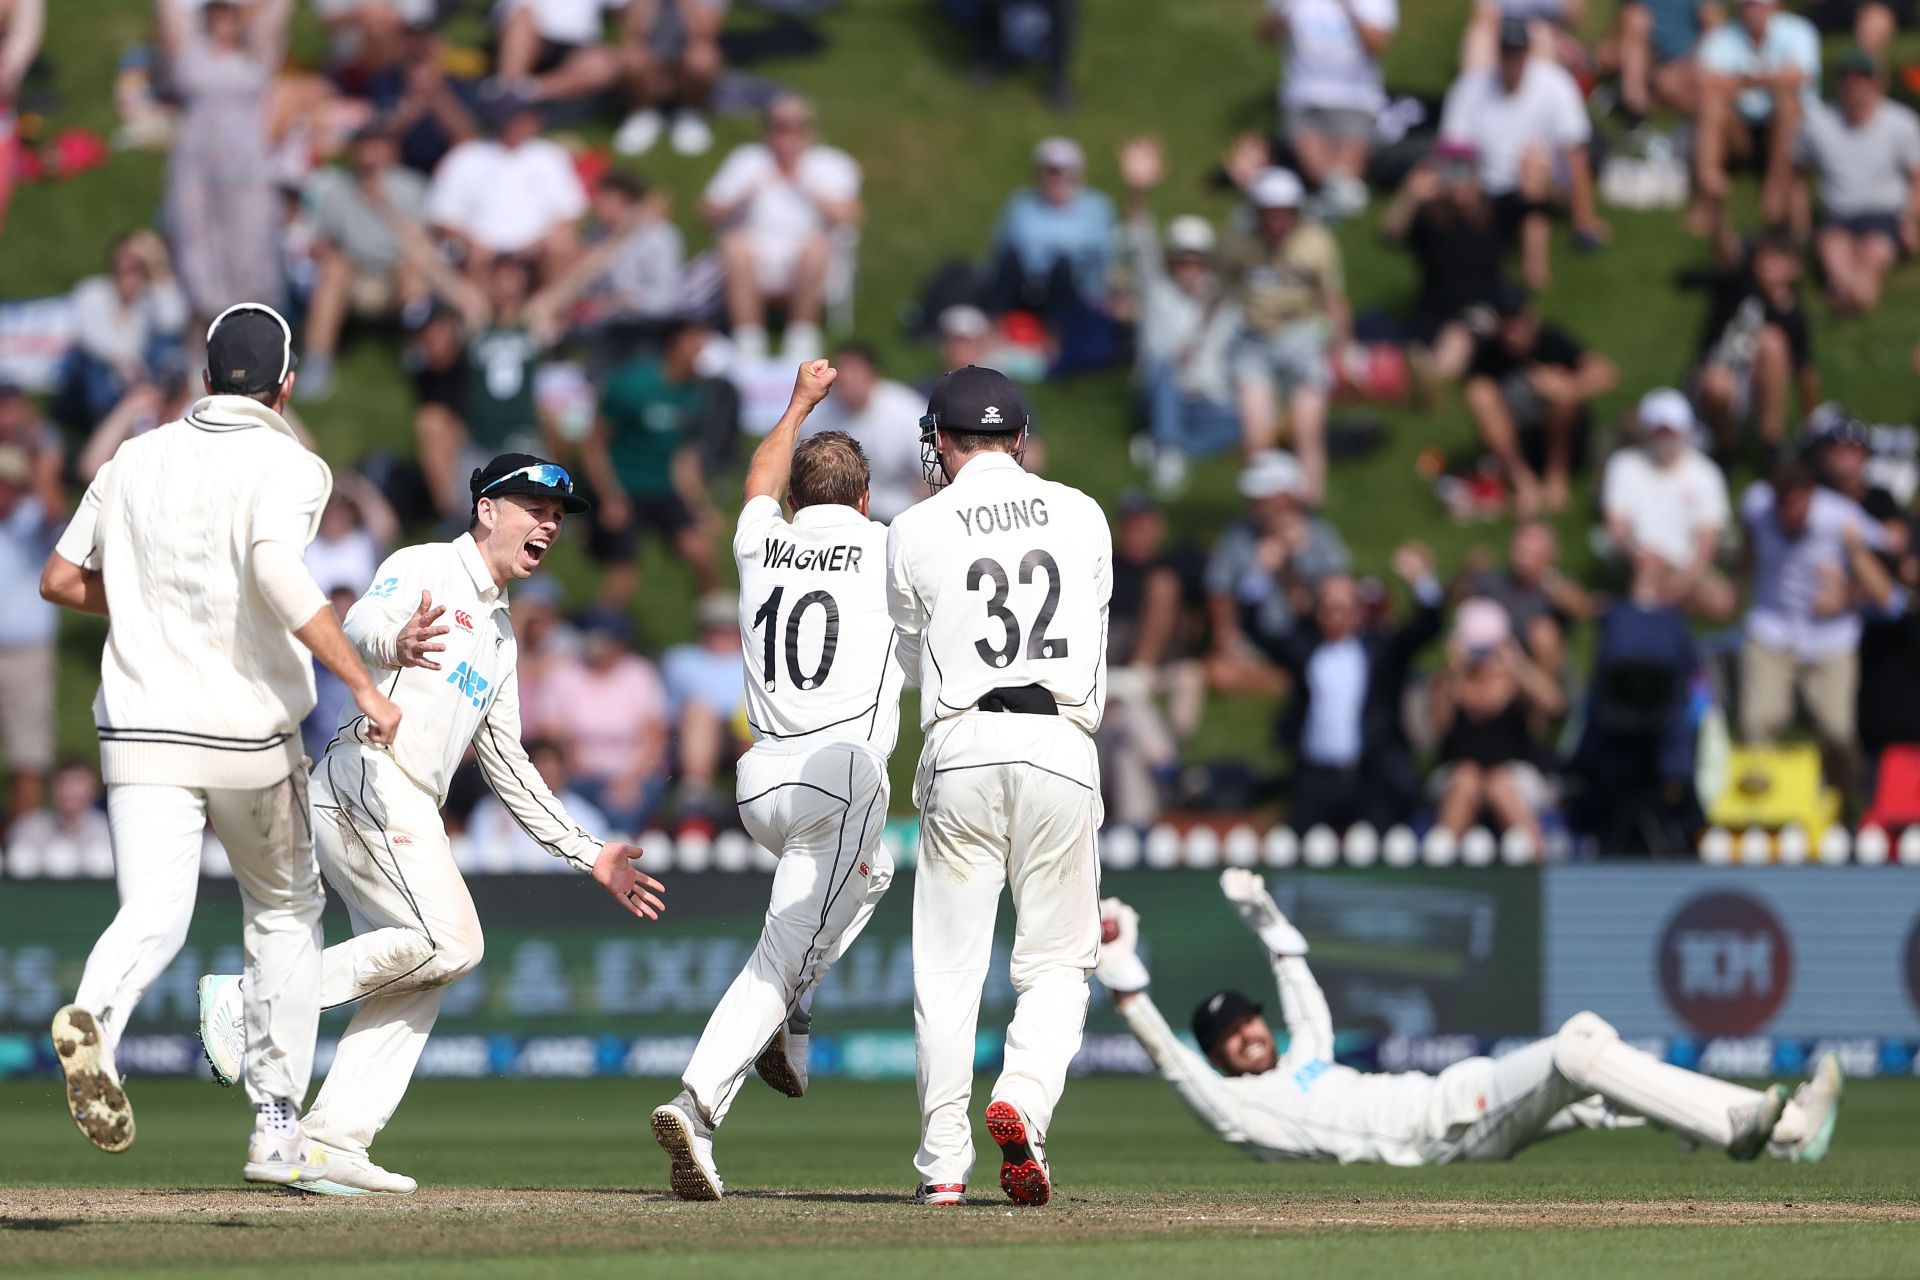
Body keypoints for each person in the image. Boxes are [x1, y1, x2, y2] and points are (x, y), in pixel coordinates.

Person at [196, 452, 666, 1196]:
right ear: (486, 510)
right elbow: (358, 622)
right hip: (367, 775)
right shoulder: (426, 565)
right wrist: (395, 643)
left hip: (406, 798)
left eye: (556, 517)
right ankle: (256, 998)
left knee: (425, 967)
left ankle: (328, 1141)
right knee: (454, 941)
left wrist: (589, 854)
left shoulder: (503, 636)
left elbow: (508, 763)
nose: (547, 525)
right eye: (533, 509)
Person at [41, 303, 401, 1185]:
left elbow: (58, 579)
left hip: (138, 727)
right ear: (284, 387)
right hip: (246, 733)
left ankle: (95, 1015)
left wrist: (151, 604)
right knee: (284, 913)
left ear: (203, 378)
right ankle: (277, 1126)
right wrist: (362, 683)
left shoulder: (133, 456)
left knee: (153, 913)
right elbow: (275, 569)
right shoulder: (292, 462)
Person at [1094, 872, 1844, 1166]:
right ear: (1221, 1057)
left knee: (1603, 1086)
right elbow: (1173, 1066)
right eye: (1231, 1039)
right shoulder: (1242, 1108)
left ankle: (1779, 1132)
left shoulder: (1303, 1059)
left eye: (1248, 1024)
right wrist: (1129, 987)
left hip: (1453, 1094)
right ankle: (1741, 1129)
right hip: (1441, 1127)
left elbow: (1304, 1003)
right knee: (1579, 1043)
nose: (1249, 1035)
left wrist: (1269, 924)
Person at [653, 361, 907, 1201]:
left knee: (876, 872)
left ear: (795, 502)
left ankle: (794, 1014)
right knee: (780, 947)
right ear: (866, 499)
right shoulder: (890, 546)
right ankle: (697, 1106)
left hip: (759, 781)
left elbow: (762, 473)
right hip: (840, 777)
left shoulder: (763, 537)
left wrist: (798, 401)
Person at [887, 365, 1111, 1207]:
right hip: (1060, 739)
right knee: (1056, 963)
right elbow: (1092, 626)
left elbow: (913, 656)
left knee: (947, 971)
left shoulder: (914, 526)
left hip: (962, 740)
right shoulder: (1083, 513)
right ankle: (1022, 1098)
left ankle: (943, 1168)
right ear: (1018, 440)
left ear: (942, 443)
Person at [1271, 542, 1441, 831]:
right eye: (1328, 608)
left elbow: (1426, 630)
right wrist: (1263, 572)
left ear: (1358, 610)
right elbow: (1258, 630)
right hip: (1315, 777)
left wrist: (1422, 582)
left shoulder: (1380, 649)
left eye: (1343, 607)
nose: (1336, 615)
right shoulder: (1306, 649)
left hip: (1370, 773)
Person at [1739, 460, 1884, 794]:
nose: (1788, 514)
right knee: (1757, 721)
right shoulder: (1756, 506)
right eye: (1782, 505)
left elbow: (1885, 578)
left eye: (1796, 504)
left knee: (1838, 730)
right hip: (1771, 631)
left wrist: (1847, 597)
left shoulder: (1840, 517)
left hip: (1830, 638)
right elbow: (1746, 549)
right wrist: (1739, 582)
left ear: (1811, 497)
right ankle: (1763, 803)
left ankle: (1845, 801)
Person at [1439, 16, 1607, 291]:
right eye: (1506, 52)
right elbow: (1454, 152)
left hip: (1545, 185)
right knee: (1460, 184)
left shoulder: (1555, 85)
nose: (1512, 60)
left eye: (1516, 52)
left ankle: (1535, 270)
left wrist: (1584, 219)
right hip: (1486, 187)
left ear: (1528, 53)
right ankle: (1477, 267)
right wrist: (1462, 185)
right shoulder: (1470, 87)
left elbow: (1576, 155)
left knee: (1533, 177)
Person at [1118, 136, 1241, 491]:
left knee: (1245, 421)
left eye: (1197, 260)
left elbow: (1244, 249)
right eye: (1183, 259)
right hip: (1157, 389)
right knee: (1165, 370)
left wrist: (1245, 192)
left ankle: (1162, 443)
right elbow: (1141, 240)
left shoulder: (1221, 301)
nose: (1190, 267)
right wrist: (1137, 190)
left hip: (1203, 399)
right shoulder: (1157, 290)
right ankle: (1169, 450)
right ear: (1172, 261)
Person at [157, 0, 293, 320]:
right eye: (216, 14)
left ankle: (259, 335)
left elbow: (278, 11)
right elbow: (169, 11)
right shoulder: (190, 54)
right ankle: (203, 342)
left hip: (246, 164)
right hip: (197, 164)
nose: (222, 22)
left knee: (251, 241)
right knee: (197, 244)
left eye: (228, 14)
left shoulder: (255, 53)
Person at [701, 94, 862, 363]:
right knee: (734, 246)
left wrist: (808, 185)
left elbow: (850, 216)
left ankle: (800, 340)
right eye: (780, 127)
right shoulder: (747, 160)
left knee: (817, 247)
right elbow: (707, 213)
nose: (789, 136)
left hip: (810, 261)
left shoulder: (831, 164)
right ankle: (748, 343)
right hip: (755, 257)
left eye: (798, 127)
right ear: (768, 129)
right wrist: (742, 196)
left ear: (810, 130)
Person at [1222, 164, 1347, 499]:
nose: (1275, 223)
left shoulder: (1317, 244)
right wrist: (1195, 340)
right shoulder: (1238, 242)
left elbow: (1334, 301)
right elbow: (1220, 291)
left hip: (1302, 336)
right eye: (1268, 214)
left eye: (1283, 214)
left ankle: (1310, 510)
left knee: (1307, 429)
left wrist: (1343, 350)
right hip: (1254, 339)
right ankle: (1262, 511)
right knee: (1256, 435)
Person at [580, 319, 723, 608]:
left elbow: (683, 457)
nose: (702, 348)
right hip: (623, 486)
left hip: (662, 487)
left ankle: (714, 631)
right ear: (675, 345)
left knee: (702, 553)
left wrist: (701, 506)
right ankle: (599, 632)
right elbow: (593, 446)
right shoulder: (630, 386)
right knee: (624, 575)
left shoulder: (695, 393)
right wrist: (610, 498)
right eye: (695, 340)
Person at [298, 125, 431, 400]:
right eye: (364, 147)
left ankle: (419, 351)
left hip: (397, 276)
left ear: (391, 152)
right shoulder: (338, 189)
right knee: (334, 270)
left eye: (376, 147)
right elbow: (321, 240)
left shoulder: (411, 186)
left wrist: (384, 205)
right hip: (355, 276)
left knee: (412, 268)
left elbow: (422, 242)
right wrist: (323, 249)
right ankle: (318, 360)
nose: (369, 154)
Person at [1101, 491, 1208, 829]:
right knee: (1128, 738)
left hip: (1147, 676)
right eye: (1131, 527)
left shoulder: (1171, 568)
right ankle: (1169, 771)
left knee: (1188, 676)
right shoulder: (1106, 571)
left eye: (1144, 526)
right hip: (1107, 679)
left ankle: (1168, 755)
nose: (1138, 533)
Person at [1463, 285, 1618, 516]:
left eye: (1518, 322)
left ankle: (1557, 477)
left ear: (1530, 318)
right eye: (1507, 324)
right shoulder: (1490, 355)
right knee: (1480, 394)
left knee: (1561, 392)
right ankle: (1523, 481)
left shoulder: (1551, 341)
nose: (1512, 332)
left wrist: (1569, 387)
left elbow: (1606, 373)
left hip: (1563, 439)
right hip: (1520, 440)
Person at [1428, 598, 1564, 847]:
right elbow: (1440, 728)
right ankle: (1440, 865)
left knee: (1498, 782)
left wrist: (1519, 665)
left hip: (1513, 777)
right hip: (1460, 776)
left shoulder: (1516, 681)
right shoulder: (1448, 682)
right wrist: (1454, 673)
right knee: (1466, 777)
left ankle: (1538, 861)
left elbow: (1555, 706)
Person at [1801, 49, 1920, 317]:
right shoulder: (1818, 123)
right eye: (1848, 78)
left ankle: (1854, 300)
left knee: (1872, 256)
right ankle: (1848, 296)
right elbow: (1797, 169)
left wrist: (1910, 221)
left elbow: (1917, 178)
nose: (1855, 86)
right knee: (1834, 254)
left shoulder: (1901, 122)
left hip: (1884, 213)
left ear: (1878, 84)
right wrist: (1801, 220)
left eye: (1863, 78)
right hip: (1837, 214)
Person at [1205, 450, 1349, 670]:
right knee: (1221, 670)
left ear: (1286, 498)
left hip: (1306, 638)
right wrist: (1228, 635)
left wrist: (1288, 563)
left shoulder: (1318, 537)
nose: (1254, 504)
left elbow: (1331, 599)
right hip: (1255, 638)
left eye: (1262, 498)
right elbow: (1219, 591)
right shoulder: (1237, 535)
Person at [1601, 388, 1735, 620]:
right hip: (1640, 558)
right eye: (1659, 431)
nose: (1664, 438)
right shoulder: (1624, 465)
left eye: (1670, 431)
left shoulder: (1706, 473)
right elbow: (1617, 525)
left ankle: (1662, 608)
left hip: (1685, 563)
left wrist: (1683, 579)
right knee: (1648, 577)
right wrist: (1635, 553)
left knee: (1722, 601)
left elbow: (1707, 540)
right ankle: (1647, 623)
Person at [1379, 142, 1507, 385]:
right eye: (1452, 172)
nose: (1460, 181)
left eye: (1466, 172)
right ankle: (1411, 378)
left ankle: (1432, 385)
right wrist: (1411, 195)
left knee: (1458, 336)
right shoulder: (1431, 219)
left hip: (1482, 311)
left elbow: (1541, 202)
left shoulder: (1496, 212)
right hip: (1432, 313)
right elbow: (1389, 235)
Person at [537, 607, 671, 832]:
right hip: (577, 773)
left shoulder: (639, 673)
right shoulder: (563, 674)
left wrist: (631, 781)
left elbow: (654, 736)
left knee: (621, 811)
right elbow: (551, 734)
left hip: (634, 774)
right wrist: (575, 764)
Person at [426, 88, 587, 276]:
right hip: (478, 247)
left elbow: (570, 213)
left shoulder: (551, 156)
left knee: (562, 247)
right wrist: (475, 243)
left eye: (529, 116)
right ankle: (477, 306)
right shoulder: (465, 156)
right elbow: (443, 216)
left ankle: (554, 306)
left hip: (537, 247)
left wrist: (538, 244)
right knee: (473, 256)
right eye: (517, 117)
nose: (523, 123)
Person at [1261, 0, 1398, 217]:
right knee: (1329, 180)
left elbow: (1378, 44)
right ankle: (1325, 216)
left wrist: (1350, 8)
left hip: (1356, 98)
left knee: (1342, 179)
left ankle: (1321, 217)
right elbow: (1267, 37)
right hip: (1302, 96)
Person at [1689, 227, 1817, 454]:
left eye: (1777, 259)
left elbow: (1805, 372)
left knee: (1773, 342)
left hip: (1758, 390)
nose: (1766, 265)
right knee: (1717, 382)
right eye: (1763, 257)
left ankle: (1771, 447)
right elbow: (1726, 249)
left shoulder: (1794, 316)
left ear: (1794, 268)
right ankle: (1726, 450)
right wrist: (1718, 208)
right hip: (1715, 382)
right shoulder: (1739, 285)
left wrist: (1810, 424)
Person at [1695, 0, 1820, 231]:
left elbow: (1799, 76)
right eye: (1747, 5)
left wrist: (1741, 81)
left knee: (1788, 102)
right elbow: (1704, 80)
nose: (1752, 11)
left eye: (1758, 5)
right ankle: (1707, 190)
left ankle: (1774, 192)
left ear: (1775, 7)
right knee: (1712, 104)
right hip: (1742, 127)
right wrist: (1768, 78)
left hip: (1785, 126)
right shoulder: (1723, 35)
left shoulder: (1798, 30)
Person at [58, 231, 188, 429]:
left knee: (169, 353)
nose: (129, 271)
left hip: (137, 380)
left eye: (137, 266)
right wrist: (126, 365)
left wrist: (159, 269)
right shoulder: (92, 291)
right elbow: (90, 341)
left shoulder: (149, 298)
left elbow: (173, 321)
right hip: (100, 380)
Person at [984, 137, 1118, 322]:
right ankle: (996, 325)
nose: (1056, 179)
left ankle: (1056, 336)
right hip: (1025, 286)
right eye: (1050, 172)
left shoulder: (1096, 208)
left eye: (1063, 173)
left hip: (1073, 291)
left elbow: (1104, 258)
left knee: (1062, 266)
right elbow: (1000, 249)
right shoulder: (1021, 204)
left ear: (1077, 175)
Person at [804, 344, 928, 523]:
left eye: (854, 372)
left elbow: (935, 473)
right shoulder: (820, 413)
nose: (847, 379)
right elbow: (800, 472)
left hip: (899, 513)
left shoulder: (905, 409)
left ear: (872, 376)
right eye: (842, 374)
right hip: (838, 516)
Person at [659, 590, 750, 832]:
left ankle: (754, 799)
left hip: (744, 729)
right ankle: (696, 792)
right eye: (714, 627)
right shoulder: (682, 660)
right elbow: (668, 708)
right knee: (700, 711)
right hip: (694, 729)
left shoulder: (753, 660)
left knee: (748, 724)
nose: (721, 633)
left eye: (727, 627)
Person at [463, 737, 611, 871]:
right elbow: (483, 858)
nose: (548, 775)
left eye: (552, 769)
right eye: (542, 769)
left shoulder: (584, 814)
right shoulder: (490, 810)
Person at [612, 0, 727, 158]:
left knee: (702, 59)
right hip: (652, 64)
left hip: (684, 64)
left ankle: (690, 114)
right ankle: (643, 113)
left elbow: (706, 33)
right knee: (632, 57)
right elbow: (631, 34)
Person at [1604, 0, 1712, 123]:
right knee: (1635, 21)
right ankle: (1635, 108)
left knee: (1673, 83)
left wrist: (1688, 61)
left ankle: (1633, 110)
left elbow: (1711, 28)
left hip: (1677, 61)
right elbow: (1627, 12)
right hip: (1640, 45)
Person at [4, 758, 112, 880]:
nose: (70, 791)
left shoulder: (107, 830)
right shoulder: (27, 828)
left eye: (78, 782)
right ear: (52, 787)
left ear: (93, 788)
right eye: (64, 782)